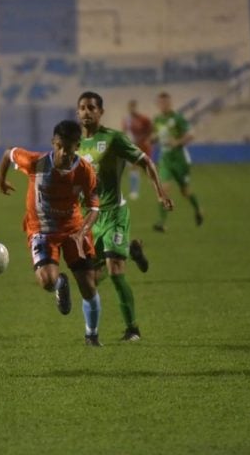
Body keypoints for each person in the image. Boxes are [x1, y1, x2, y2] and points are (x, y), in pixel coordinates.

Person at [0, 120, 104, 346]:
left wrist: (82, 231)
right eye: (60, 146)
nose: (64, 152)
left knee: (88, 285)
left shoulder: (85, 171)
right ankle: (59, 284)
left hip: (75, 230)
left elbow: (94, 207)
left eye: (70, 147)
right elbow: (9, 153)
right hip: (42, 230)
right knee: (46, 281)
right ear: (54, 143)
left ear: (78, 146)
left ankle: (92, 335)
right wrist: (1, 179)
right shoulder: (35, 162)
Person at [77, 91, 173, 342]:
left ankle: (133, 329)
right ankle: (130, 249)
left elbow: (146, 162)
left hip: (115, 213)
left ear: (101, 112)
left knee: (115, 270)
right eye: (83, 108)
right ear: (78, 112)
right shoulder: (74, 144)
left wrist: (160, 195)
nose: (87, 112)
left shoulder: (113, 139)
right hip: (89, 220)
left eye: (92, 108)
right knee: (92, 281)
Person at [152, 92, 204, 232]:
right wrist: (153, 139)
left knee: (185, 192)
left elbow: (191, 134)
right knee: (163, 190)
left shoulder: (178, 118)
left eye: (165, 102)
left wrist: (177, 142)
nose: (163, 105)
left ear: (170, 103)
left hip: (179, 160)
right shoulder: (157, 120)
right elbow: (158, 135)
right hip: (165, 160)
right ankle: (162, 223)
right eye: (161, 103)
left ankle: (198, 209)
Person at [122, 99, 154, 200]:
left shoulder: (143, 119)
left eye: (133, 106)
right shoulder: (126, 120)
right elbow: (124, 132)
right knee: (133, 168)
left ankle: (156, 183)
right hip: (134, 147)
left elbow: (150, 129)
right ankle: (134, 191)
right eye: (130, 107)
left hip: (144, 146)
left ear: (136, 107)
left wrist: (146, 139)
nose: (132, 109)